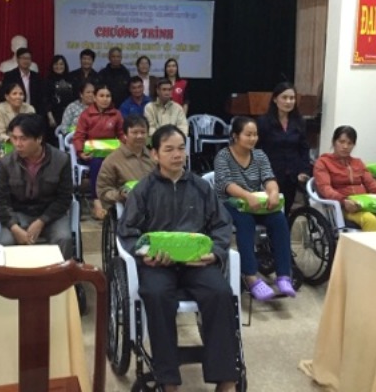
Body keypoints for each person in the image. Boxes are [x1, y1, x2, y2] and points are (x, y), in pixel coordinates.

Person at [117, 124, 238, 392]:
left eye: (181, 148)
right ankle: (168, 378)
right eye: (169, 149)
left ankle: (225, 378)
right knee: (156, 295)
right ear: (155, 154)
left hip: (197, 263)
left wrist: (215, 254)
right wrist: (145, 255)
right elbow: (127, 232)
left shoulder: (201, 187)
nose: (177, 155)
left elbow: (221, 225)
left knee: (220, 292)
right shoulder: (143, 190)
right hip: (158, 264)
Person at [214, 116, 296, 301]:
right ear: (235, 136)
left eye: (255, 135)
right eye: (248, 134)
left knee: (279, 220)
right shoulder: (223, 156)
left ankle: (283, 275)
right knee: (245, 222)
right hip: (230, 203)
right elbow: (225, 184)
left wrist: (273, 192)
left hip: (256, 202)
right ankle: (251, 276)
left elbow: (269, 177)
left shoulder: (259, 155)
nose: (253, 139)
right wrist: (247, 196)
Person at [0, 114, 73, 259]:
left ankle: (61, 273)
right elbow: (1, 201)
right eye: (14, 138)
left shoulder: (61, 160)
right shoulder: (7, 163)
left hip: (51, 214)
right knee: (5, 242)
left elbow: (64, 198)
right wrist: (14, 227)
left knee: (64, 238)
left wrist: (42, 221)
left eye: (23, 139)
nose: (18, 144)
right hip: (19, 213)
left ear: (39, 139)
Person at [313, 125, 376, 231]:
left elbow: (371, 183)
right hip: (344, 207)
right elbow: (325, 188)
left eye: (350, 143)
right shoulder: (323, 162)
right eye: (341, 142)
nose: (345, 146)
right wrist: (343, 200)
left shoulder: (357, 163)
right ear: (334, 142)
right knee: (370, 220)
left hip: (366, 204)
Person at [256, 82, 311, 215]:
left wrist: (304, 170)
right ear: (275, 99)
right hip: (271, 173)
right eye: (284, 97)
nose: (288, 102)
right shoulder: (263, 122)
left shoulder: (299, 122)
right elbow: (256, 149)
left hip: (292, 174)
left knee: (286, 209)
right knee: (271, 210)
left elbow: (304, 148)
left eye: (292, 98)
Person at [74, 84, 124, 220]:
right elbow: (79, 136)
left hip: (111, 152)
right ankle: (97, 201)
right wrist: (80, 152)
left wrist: (125, 147)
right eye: (101, 96)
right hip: (91, 154)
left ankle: (115, 199)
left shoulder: (116, 114)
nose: (105, 99)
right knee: (97, 164)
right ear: (95, 98)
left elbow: (121, 134)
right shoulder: (86, 114)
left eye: (108, 96)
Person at [96, 114, 154, 210]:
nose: (139, 136)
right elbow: (103, 191)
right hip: (131, 208)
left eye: (143, 132)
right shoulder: (112, 160)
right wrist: (120, 195)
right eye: (134, 132)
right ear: (125, 135)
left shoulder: (154, 157)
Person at [1, 47, 46, 116]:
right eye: (23, 58)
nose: (26, 61)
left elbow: (41, 98)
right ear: (17, 60)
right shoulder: (10, 76)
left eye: (28, 58)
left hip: (33, 114)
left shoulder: (37, 77)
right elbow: (5, 95)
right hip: (15, 114)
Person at [0, 82, 35, 148]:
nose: (18, 97)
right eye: (14, 94)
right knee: (3, 153)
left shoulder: (29, 109)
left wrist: (22, 141)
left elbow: (33, 131)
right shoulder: (1, 109)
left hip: (25, 142)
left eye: (21, 94)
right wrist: (14, 141)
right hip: (7, 142)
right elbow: (0, 134)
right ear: (7, 97)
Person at [46, 55, 74, 132]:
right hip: (54, 115)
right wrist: (50, 116)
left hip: (69, 114)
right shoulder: (48, 80)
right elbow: (46, 99)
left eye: (61, 64)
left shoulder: (71, 79)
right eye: (56, 64)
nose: (59, 66)